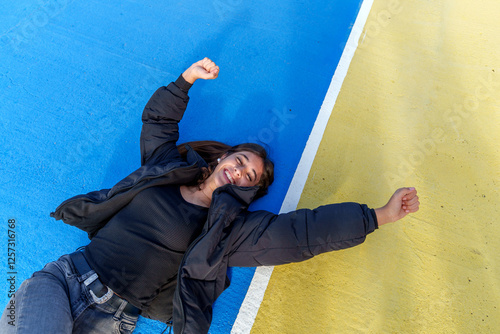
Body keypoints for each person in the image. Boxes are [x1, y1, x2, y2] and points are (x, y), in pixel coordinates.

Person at [0, 58, 419, 334]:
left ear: (248, 190)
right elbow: (158, 122)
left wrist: (377, 216)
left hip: (113, 317)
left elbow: (301, 234)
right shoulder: (165, 167)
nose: (239, 169)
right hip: (65, 278)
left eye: (249, 175)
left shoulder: (229, 230)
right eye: (239, 160)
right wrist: (185, 81)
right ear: (221, 159)